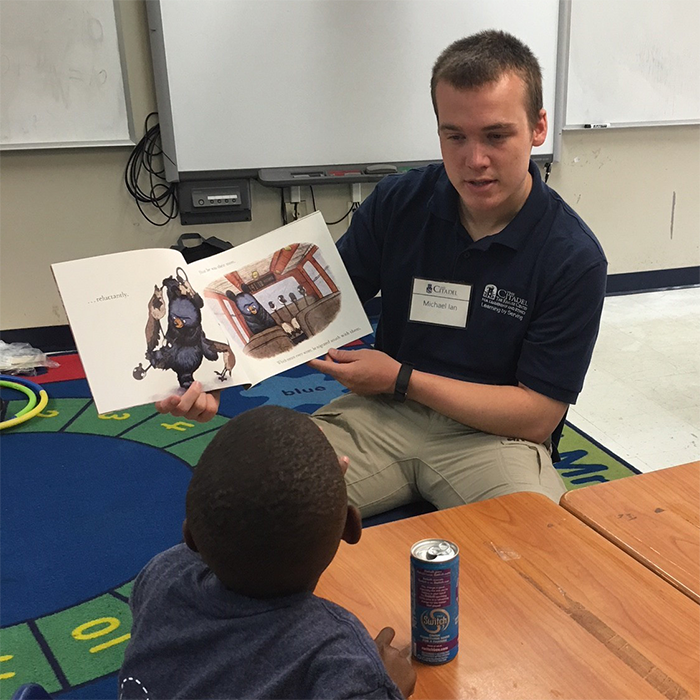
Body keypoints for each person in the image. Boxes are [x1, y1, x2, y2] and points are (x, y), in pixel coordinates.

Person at [157, 30, 607, 518]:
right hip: (380, 416)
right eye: (454, 136)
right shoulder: (399, 202)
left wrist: (402, 379)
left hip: (495, 439)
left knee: (543, 549)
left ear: (538, 127)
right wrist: (214, 376)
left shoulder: (572, 256)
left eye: (497, 136)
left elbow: (538, 417)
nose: (474, 160)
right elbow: (311, 302)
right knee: (243, 506)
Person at [118, 405, 415, 700]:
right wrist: (387, 686)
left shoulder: (163, 572)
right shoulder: (336, 652)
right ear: (349, 529)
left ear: (190, 537)